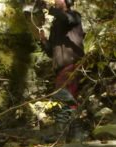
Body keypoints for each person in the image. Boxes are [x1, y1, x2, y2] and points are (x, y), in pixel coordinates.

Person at [37, 0, 85, 137]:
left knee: (62, 98)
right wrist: (44, 41)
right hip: (60, 68)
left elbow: (65, 18)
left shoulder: (74, 16)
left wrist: (49, 8)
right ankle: (76, 135)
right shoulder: (56, 24)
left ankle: (60, 135)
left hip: (72, 65)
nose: (56, 1)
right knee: (69, 102)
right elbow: (51, 52)